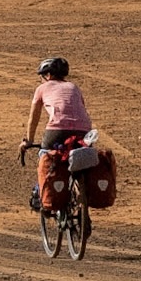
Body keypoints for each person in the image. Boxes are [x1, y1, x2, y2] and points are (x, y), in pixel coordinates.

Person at [25, 56, 92, 210]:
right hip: (85, 130)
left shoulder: (42, 88)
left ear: (47, 75)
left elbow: (33, 118)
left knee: (45, 154)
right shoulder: (74, 87)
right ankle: (81, 195)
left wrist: (29, 140)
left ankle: (41, 193)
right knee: (80, 157)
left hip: (57, 129)